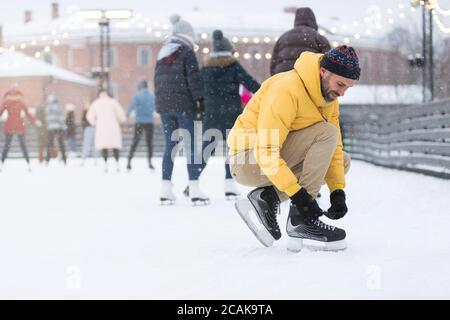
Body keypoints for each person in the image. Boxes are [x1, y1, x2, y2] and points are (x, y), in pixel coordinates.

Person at [228, 46, 361, 251]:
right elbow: (266, 150)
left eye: (348, 88)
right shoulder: (286, 89)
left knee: (342, 161)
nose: (342, 93)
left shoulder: (329, 97)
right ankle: (302, 220)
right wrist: (301, 199)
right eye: (340, 84)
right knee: (326, 133)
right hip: (247, 159)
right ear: (323, 72)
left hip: (270, 158)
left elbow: (334, 149)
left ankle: (268, 198)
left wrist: (337, 191)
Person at [199, 30, 260, 199]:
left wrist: (202, 106)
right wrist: (266, 92)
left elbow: (198, 90)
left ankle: (193, 181)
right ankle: (229, 184)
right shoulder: (233, 66)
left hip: (212, 114)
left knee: (206, 150)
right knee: (232, 150)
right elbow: (251, 84)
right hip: (231, 113)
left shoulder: (205, 68)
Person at [154, 14, 208, 205]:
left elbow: (158, 83)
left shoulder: (162, 54)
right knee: (191, 146)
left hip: (165, 108)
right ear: (188, 35)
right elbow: (194, 80)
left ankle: (165, 189)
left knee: (171, 146)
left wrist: (161, 106)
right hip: (185, 106)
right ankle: (194, 189)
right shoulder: (187, 52)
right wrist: (200, 101)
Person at [270, 7, 331, 76]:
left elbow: (273, 64)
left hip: (283, 79)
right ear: (313, 20)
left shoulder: (283, 38)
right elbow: (328, 64)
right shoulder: (319, 38)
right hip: (308, 79)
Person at [87, 89, 126, 172]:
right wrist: (120, 120)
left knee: (104, 146)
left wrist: (95, 122)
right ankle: (117, 163)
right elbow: (121, 115)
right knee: (115, 146)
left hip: (101, 128)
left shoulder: (96, 103)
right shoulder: (113, 102)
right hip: (113, 127)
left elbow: (89, 116)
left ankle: (105, 164)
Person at [0, 88, 35, 171]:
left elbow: (0, 112)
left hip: (9, 127)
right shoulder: (20, 102)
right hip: (19, 126)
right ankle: (28, 163)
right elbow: (27, 113)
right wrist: (34, 120)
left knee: (6, 146)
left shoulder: (6, 102)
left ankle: (1, 163)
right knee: (23, 146)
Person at [126, 80, 156, 171]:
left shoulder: (137, 96)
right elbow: (156, 108)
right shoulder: (152, 97)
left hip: (139, 122)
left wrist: (127, 115)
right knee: (149, 143)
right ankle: (150, 162)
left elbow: (131, 106)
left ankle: (129, 162)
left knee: (135, 142)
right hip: (149, 122)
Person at [45, 95, 67, 165]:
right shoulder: (58, 107)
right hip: (58, 127)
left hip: (50, 128)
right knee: (61, 143)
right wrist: (63, 126)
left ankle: (47, 159)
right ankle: (64, 159)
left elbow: (46, 118)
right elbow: (61, 118)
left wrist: (49, 124)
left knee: (49, 144)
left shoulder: (47, 108)